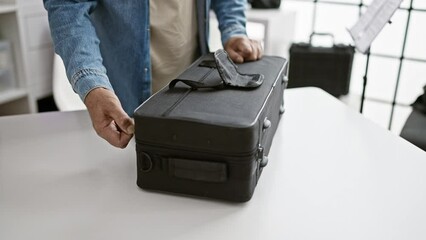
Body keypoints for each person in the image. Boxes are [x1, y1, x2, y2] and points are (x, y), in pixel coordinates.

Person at [43, 0, 263, 148]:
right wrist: (92, 84)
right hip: (127, 107)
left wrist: (234, 30)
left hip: (198, 95)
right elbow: (67, 7)